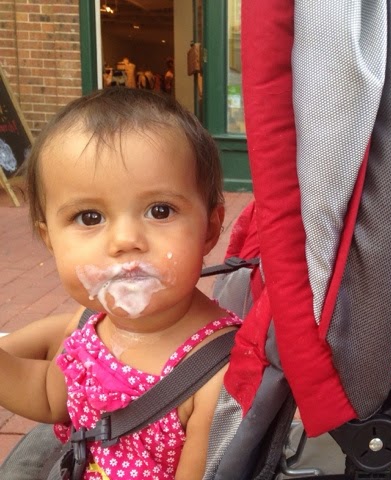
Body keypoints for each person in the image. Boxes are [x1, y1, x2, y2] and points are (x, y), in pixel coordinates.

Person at [1, 87, 242, 479]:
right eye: (89, 217)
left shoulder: (216, 372)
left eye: (160, 210)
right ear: (50, 239)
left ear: (210, 229)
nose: (125, 241)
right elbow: (49, 394)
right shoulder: (89, 323)